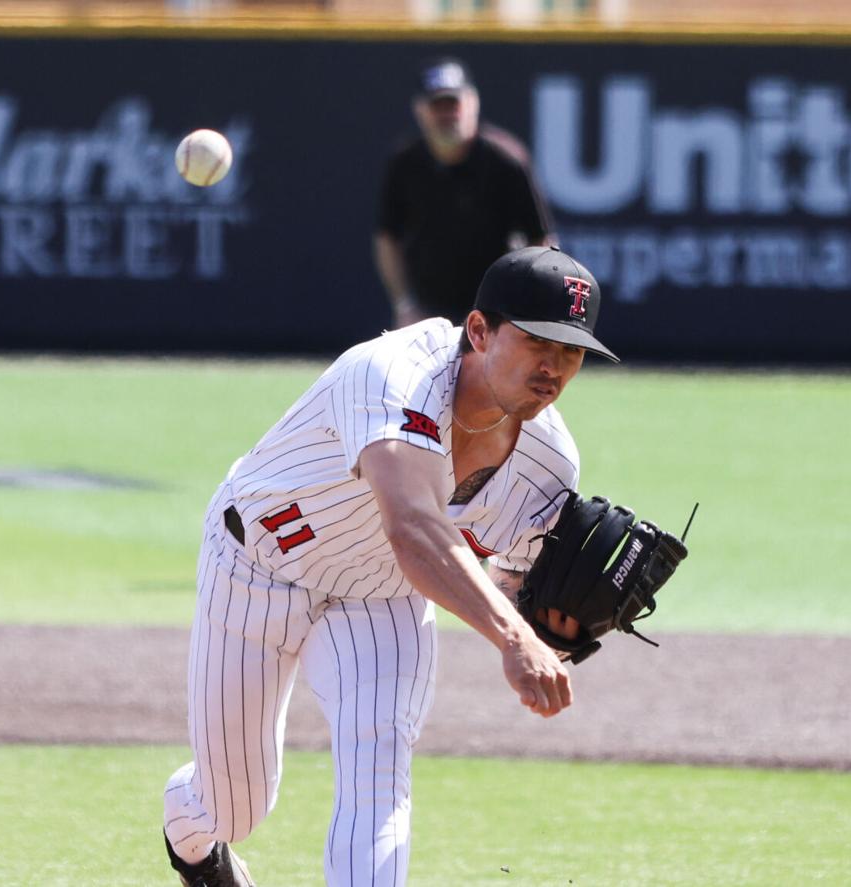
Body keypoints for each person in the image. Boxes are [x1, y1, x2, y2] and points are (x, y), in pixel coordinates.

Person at [162, 245, 618, 887]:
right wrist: (513, 639)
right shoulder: (393, 374)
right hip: (259, 565)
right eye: (538, 341)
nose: (555, 367)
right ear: (480, 331)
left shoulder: (549, 463)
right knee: (233, 808)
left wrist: (552, 627)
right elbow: (414, 526)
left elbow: (514, 580)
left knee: (378, 779)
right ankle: (193, 842)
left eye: (572, 352)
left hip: (381, 596)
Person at [374, 58, 556, 329]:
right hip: (429, 312)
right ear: (420, 110)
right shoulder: (405, 162)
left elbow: (541, 239)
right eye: (437, 105)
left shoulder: (506, 160)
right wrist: (405, 304)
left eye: (453, 103)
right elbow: (387, 239)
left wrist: (526, 304)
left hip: (496, 309)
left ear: (473, 103)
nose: (446, 114)